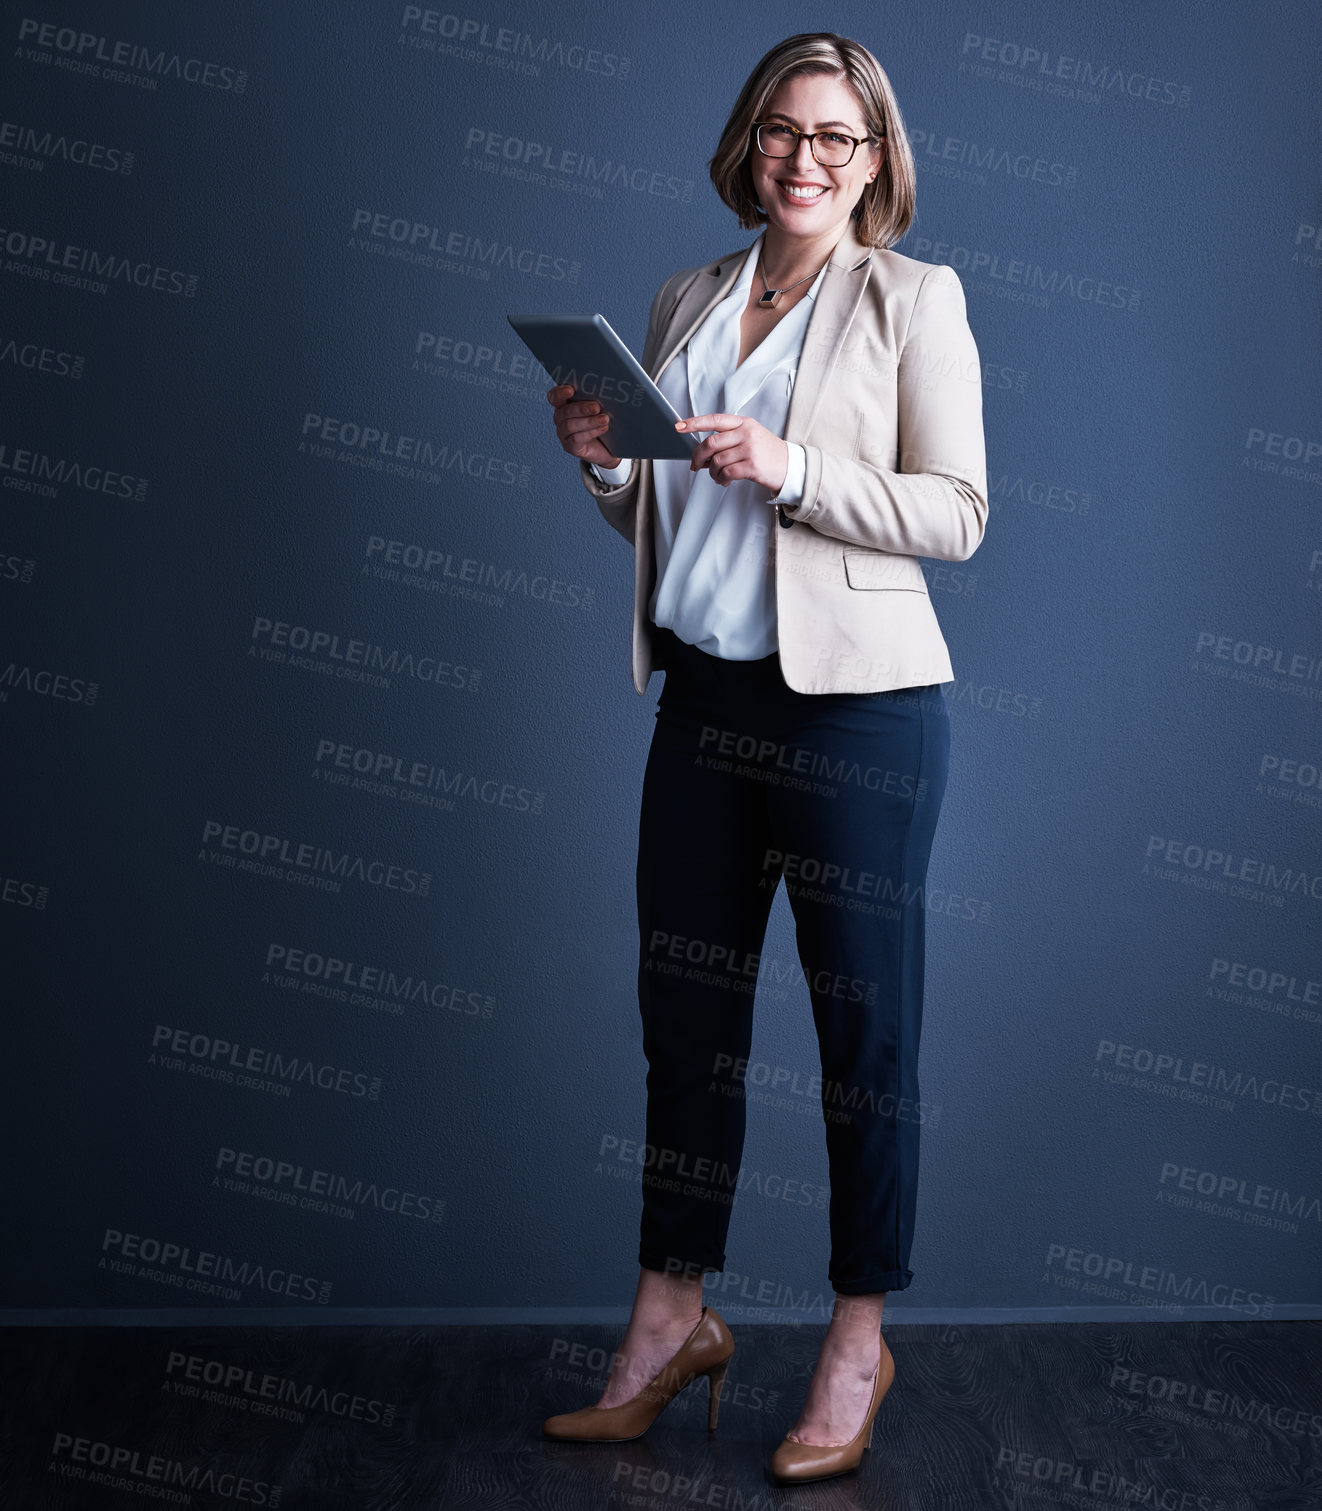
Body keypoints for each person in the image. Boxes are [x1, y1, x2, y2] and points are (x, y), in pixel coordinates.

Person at [541, 31, 987, 1485]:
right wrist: (611, 461)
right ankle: (671, 1315)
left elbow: (957, 512)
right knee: (686, 1021)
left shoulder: (914, 299)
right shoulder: (689, 294)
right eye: (785, 132)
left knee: (862, 1043)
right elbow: (671, 523)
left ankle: (857, 1336)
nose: (806, 159)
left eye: (837, 138)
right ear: (750, 142)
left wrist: (793, 468)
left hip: (857, 715)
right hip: (703, 703)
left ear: (876, 160)